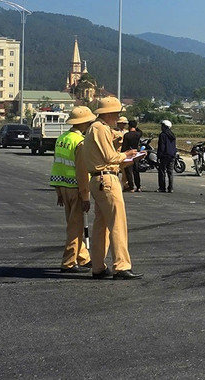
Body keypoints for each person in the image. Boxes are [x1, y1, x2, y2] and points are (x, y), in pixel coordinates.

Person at [82, 96, 141, 280]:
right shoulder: (100, 128)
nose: (117, 117)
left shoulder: (98, 128)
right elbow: (109, 157)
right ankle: (121, 266)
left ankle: (98, 266)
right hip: (107, 179)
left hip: (99, 180)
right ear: (107, 113)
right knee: (117, 224)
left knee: (101, 226)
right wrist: (126, 155)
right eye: (116, 113)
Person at [49, 106, 95, 273]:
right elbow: (82, 173)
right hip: (76, 188)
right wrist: (86, 197)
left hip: (63, 187)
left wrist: (58, 191)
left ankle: (83, 257)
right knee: (75, 228)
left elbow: (57, 165)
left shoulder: (62, 138)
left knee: (73, 224)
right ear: (83, 123)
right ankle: (68, 263)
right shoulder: (80, 143)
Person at [122, 119, 143, 192]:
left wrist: (123, 154)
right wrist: (136, 127)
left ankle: (131, 187)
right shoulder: (138, 134)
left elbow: (124, 146)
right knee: (136, 171)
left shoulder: (127, 135)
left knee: (129, 171)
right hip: (136, 153)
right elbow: (140, 132)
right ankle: (138, 186)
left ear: (129, 126)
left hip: (129, 153)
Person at [157, 119, 177, 193]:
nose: (161, 127)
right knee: (170, 172)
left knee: (162, 171)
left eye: (162, 126)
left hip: (164, 155)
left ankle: (162, 187)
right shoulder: (172, 135)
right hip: (172, 155)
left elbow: (162, 146)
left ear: (165, 127)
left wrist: (159, 156)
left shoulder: (163, 135)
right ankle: (170, 188)